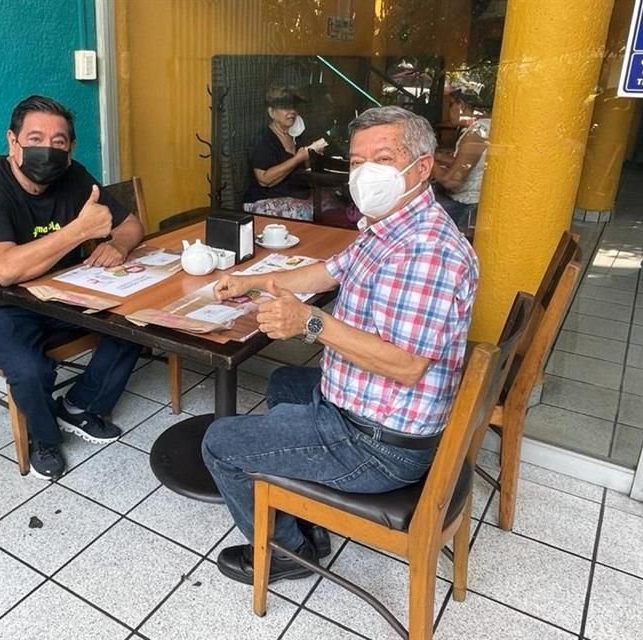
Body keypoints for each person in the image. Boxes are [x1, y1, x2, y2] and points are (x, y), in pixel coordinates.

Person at [202, 106, 479, 585]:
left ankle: (284, 554)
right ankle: (303, 508)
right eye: (355, 161)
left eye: (383, 158)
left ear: (422, 167)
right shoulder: (392, 224)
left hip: (381, 444)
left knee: (221, 443)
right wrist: (252, 282)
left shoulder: (427, 251)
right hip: (371, 411)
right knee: (285, 380)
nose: (365, 172)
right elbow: (328, 271)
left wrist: (309, 321)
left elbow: (408, 365)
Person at [0, 95, 145, 481]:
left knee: (137, 320)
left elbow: (130, 226)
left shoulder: (74, 178)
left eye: (59, 142)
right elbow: (5, 270)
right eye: (35, 138)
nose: (47, 150)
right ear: (12, 141)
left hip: (58, 297)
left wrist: (117, 244)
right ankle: (45, 438)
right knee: (30, 368)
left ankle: (78, 405)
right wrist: (80, 232)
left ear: (70, 149)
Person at [243, 85, 328, 220]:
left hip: (296, 193)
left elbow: (304, 169)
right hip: (264, 199)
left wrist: (310, 157)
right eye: (285, 107)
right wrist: (297, 158)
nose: (292, 111)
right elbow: (264, 180)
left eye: (294, 107)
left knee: (334, 204)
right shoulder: (263, 139)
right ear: (271, 112)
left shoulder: (297, 135)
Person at [432, 88, 491, 227]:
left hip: (467, 205)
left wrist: (427, 161)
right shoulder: (484, 126)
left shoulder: (478, 132)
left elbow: (451, 181)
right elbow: (466, 163)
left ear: (462, 106)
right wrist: (437, 156)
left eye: (451, 104)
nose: (449, 110)